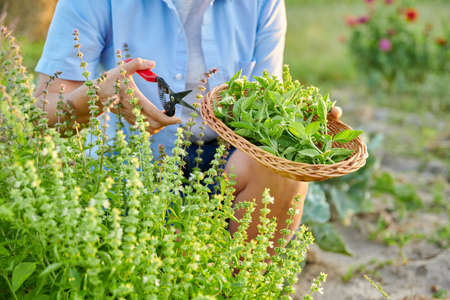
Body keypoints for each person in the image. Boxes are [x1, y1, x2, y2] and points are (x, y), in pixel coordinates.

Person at [34, 0, 341, 253]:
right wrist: (96, 96)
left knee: (282, 167)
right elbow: (42, 112)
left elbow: (268, 109)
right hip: (128, 173)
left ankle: (235, 285)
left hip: (227, 172)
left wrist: (300, 127)